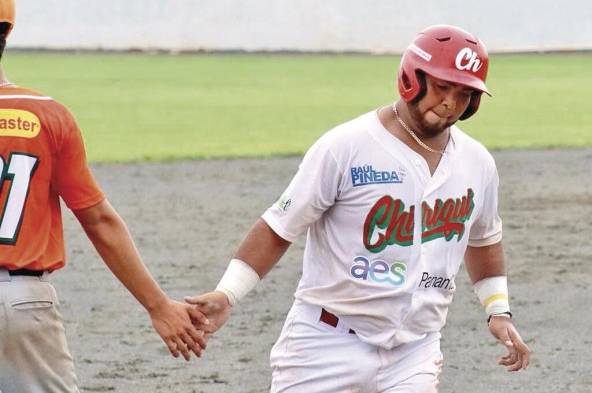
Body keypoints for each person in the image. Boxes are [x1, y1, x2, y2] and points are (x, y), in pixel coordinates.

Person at [185, 24, 531, 392]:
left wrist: (498, 310)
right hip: (324, 343)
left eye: (464, 93)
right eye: (443, 86)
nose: (450, 102)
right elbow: (279, 226)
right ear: (412, 78)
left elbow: (483, 240)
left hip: (415, 350)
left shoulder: (477, 163)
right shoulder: (346, 146)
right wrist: (228, 293)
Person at [0, 2, 208, 392]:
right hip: (23, 302)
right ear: (8, 33)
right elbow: (99, 220)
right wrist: (158, 305)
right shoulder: (49, 116)